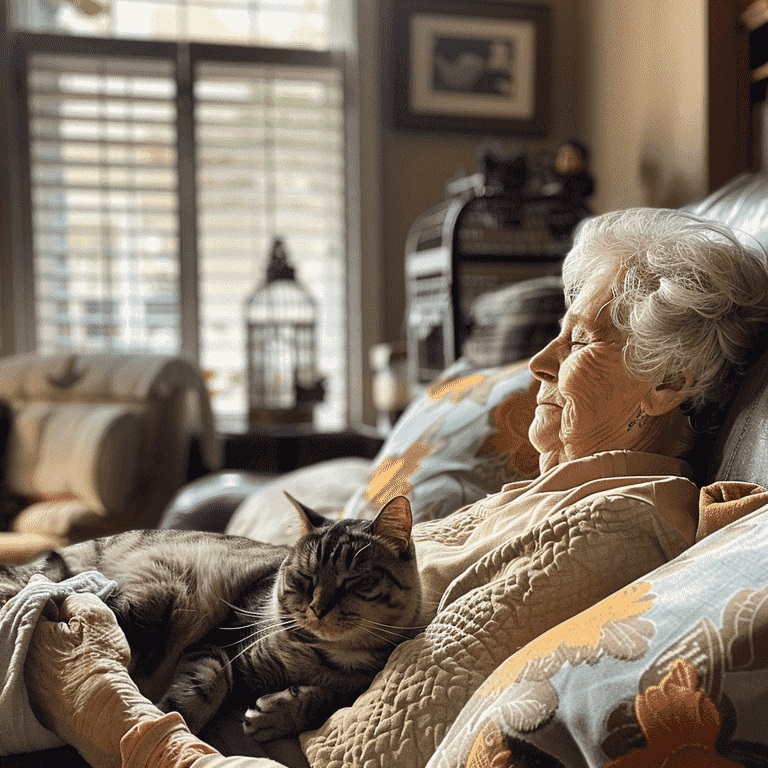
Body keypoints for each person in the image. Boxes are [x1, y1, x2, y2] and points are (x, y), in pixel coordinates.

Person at [22, 208, 768, 768]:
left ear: (666, 380)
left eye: (578, 340)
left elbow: (364, 748)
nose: (539, 362)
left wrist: (91, 688)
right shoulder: (548, 498)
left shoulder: (613, 525)